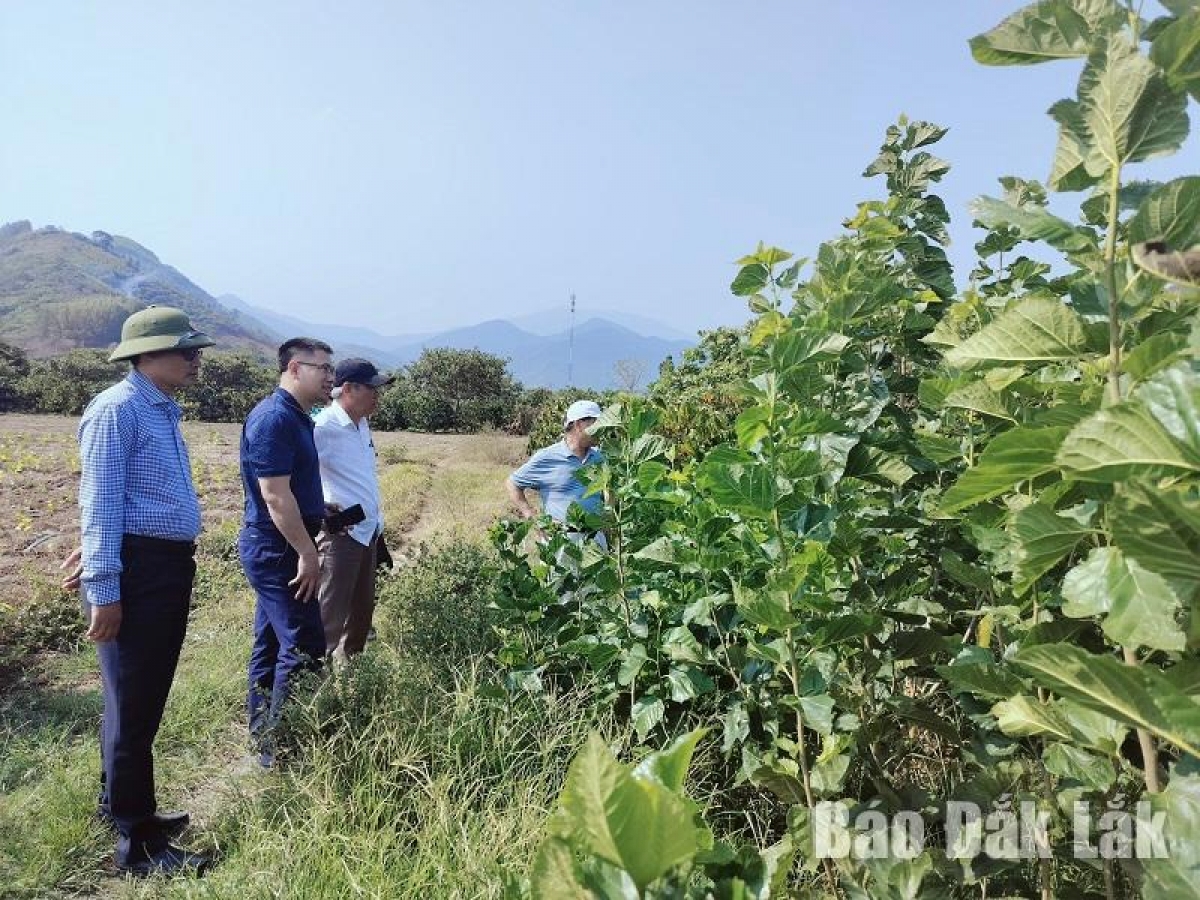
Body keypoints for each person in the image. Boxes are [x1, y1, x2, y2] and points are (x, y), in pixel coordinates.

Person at [71, 305, 214, 876]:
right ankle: (139, 846)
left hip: (160, 565)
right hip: (139, 573)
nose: (195, 360)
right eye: (186, 350)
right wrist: (104, 587)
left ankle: (126, 808)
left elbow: (124, 501)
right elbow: (100, 503)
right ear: (148, 354)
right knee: (135, 709)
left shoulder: (161, 410)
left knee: (133, 702)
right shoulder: (118, 411)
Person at [238, 337, 334, 766]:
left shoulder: (298, 417)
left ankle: (266, 739)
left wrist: (318, 507)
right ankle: (287, 748)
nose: (331, 377)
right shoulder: (274, 418)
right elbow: (275, 498)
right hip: (279, 548)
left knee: (274, 643)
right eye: (323, 369)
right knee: (303, 643)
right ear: (295, 368)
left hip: (284, 543)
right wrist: (307, 553)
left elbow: (289, 488)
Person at [313, 357, 394, 662]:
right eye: (371, 388)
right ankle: (311, 689)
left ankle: (350, 684)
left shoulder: (362, 425)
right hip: (340, 536)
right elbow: (295, 475)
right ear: (347, 389)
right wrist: (318, 509)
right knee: (328, 616)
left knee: (361, 616)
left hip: (367, 531)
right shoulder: (324, 426)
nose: (377, 395)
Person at [507, 399, 605, 542]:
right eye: (596, 424)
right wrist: (530, 515)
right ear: (578, 424)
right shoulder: (547, 456)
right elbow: (512, 483)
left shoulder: (600, 457)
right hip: (560, 539)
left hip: (595, 538)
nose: (601, 429)